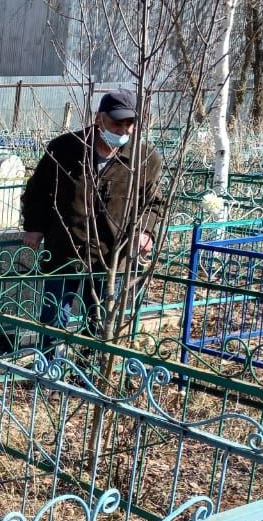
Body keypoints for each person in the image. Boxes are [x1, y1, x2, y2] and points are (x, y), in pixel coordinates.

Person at [20, 89, 165, 343]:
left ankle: (90, 375)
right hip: (65, 249)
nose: (123, 130)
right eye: (116, 123)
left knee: (99, 322)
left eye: (129, 124)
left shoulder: (144, 158)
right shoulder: (65, 149)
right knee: (54, 318)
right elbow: (37, 192)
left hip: (111, 254)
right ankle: (48, 372)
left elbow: (152, 203)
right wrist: (34, 226)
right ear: (99, 118)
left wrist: (145, 231)